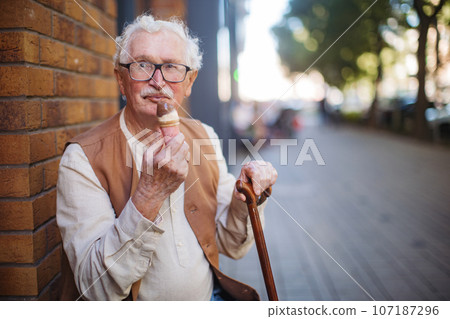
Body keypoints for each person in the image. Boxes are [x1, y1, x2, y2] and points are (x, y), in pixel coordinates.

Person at [57, 13, 277, 301]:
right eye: (143, 65)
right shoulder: (81, 159)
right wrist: (149, 194)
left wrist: (248, 196)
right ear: (121, 80)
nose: (158, 81)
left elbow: (233, 244)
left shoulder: (205, 136)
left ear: (189, 81)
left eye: (172, 67)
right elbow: (95, 288)